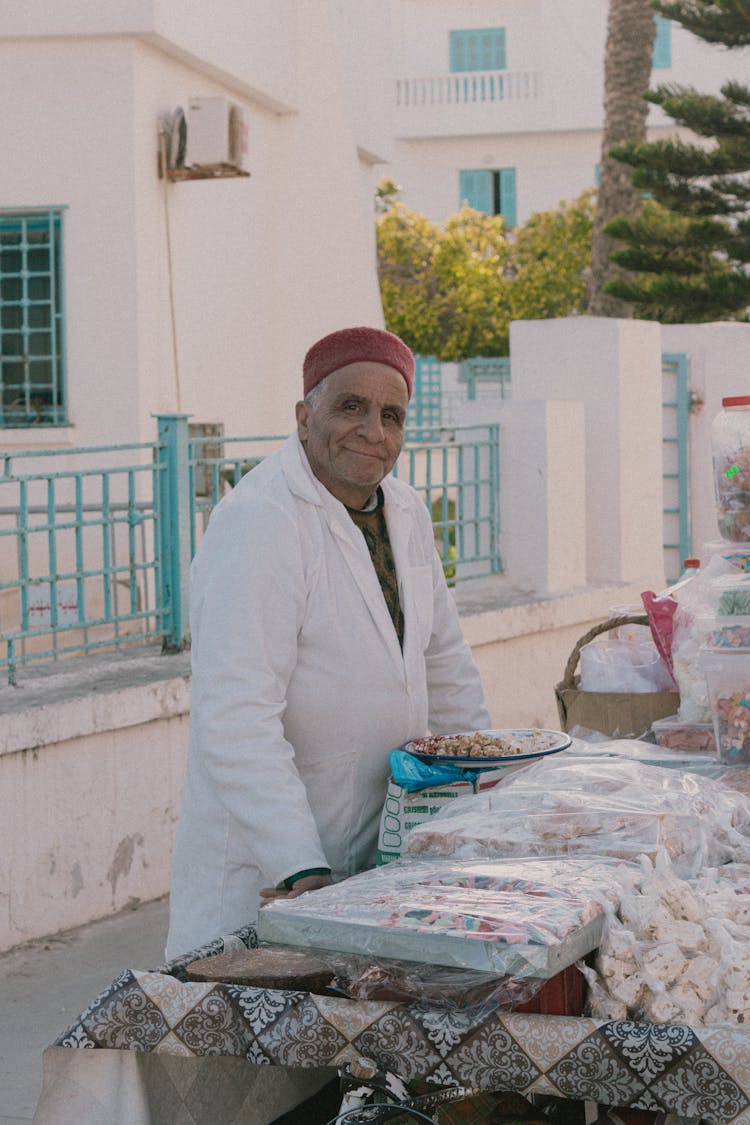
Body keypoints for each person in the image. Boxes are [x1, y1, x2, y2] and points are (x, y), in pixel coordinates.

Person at [166, 325, 490, 959]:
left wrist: (489, 799)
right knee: (261, 1043)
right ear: (303, 416)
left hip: (378, 852)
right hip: (271, 873)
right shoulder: (262, 520)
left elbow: (444, 662)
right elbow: (234, 716)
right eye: (351, 407)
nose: (373, 430)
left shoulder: (404, 510)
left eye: (391, 415)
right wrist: (299, 866)